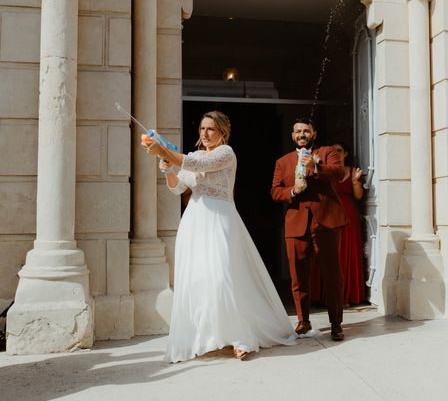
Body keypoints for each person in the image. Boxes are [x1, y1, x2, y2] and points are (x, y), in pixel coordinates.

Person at [143, 111, 296, 362]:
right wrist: (167, 167)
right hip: (195, 220)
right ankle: (206, 337)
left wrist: (164, 152)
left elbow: (198, 166)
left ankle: (240, 337)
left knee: (223, 278)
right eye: (202, 128)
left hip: (220, 220)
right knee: (198, 280)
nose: (205, 134)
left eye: (211, 129)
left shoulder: (226, 153)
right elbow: (178, 187)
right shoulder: (193, 156)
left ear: (222, 132)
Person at [271, 118, 347, 341]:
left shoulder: (327, 152)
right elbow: (275, 192)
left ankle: (336, 324)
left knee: (332, 275)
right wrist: (292, 191)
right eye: (298, 131)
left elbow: (339, 173)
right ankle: (303, 321)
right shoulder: (283, 161)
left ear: (314, 133)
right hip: (296, 224)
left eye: (306, 131)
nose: (302, 134)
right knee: (298, 278)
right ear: (292, 136)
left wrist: (316, 167)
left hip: (326, 222)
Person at [310, 142, 367, 306]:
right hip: (329, 212)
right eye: (333, 151)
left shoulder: (352, 171)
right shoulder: (326, 171)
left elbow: (358, 196)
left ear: (345, 154)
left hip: (349, 215)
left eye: (339, 151)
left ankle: (347, 295)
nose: (336, 153)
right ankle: (328, 296)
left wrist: (356, 181)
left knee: (347, 252)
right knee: (331, 251)